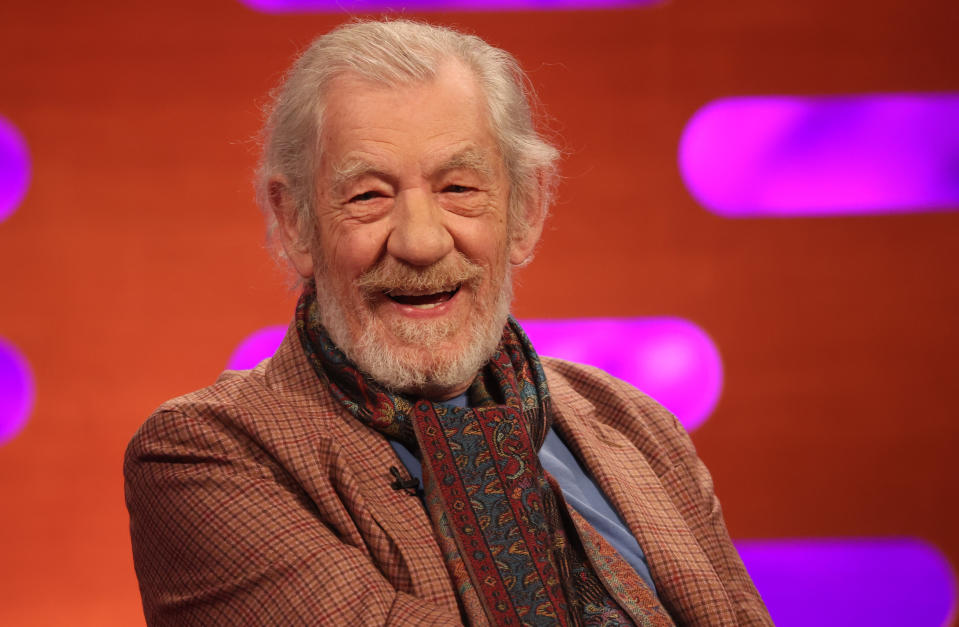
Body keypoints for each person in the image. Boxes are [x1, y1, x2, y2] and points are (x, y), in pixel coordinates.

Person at [124, 19, 772, 626]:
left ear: (526, 209)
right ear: (295, 221)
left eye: (458, 188)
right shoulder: (207, 455)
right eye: (367, 195)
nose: (421, 241)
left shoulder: (634, 425)